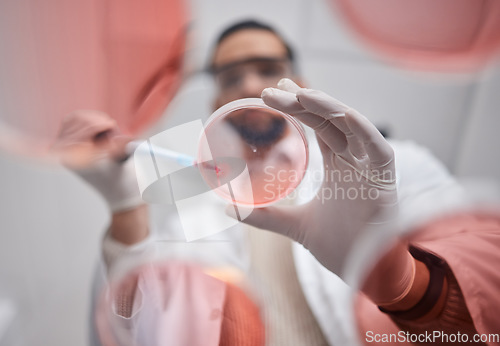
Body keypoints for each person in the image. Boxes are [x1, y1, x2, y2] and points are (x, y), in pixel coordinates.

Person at [53, 20, 499, 345]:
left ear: (297, 83)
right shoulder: (197, 202)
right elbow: (145, 328)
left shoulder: (390, 164)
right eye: (231, 77)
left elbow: (487, 284)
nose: (249, 83)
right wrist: (126, 207)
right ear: (217, 101)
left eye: (267, 68)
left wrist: (404, 280)